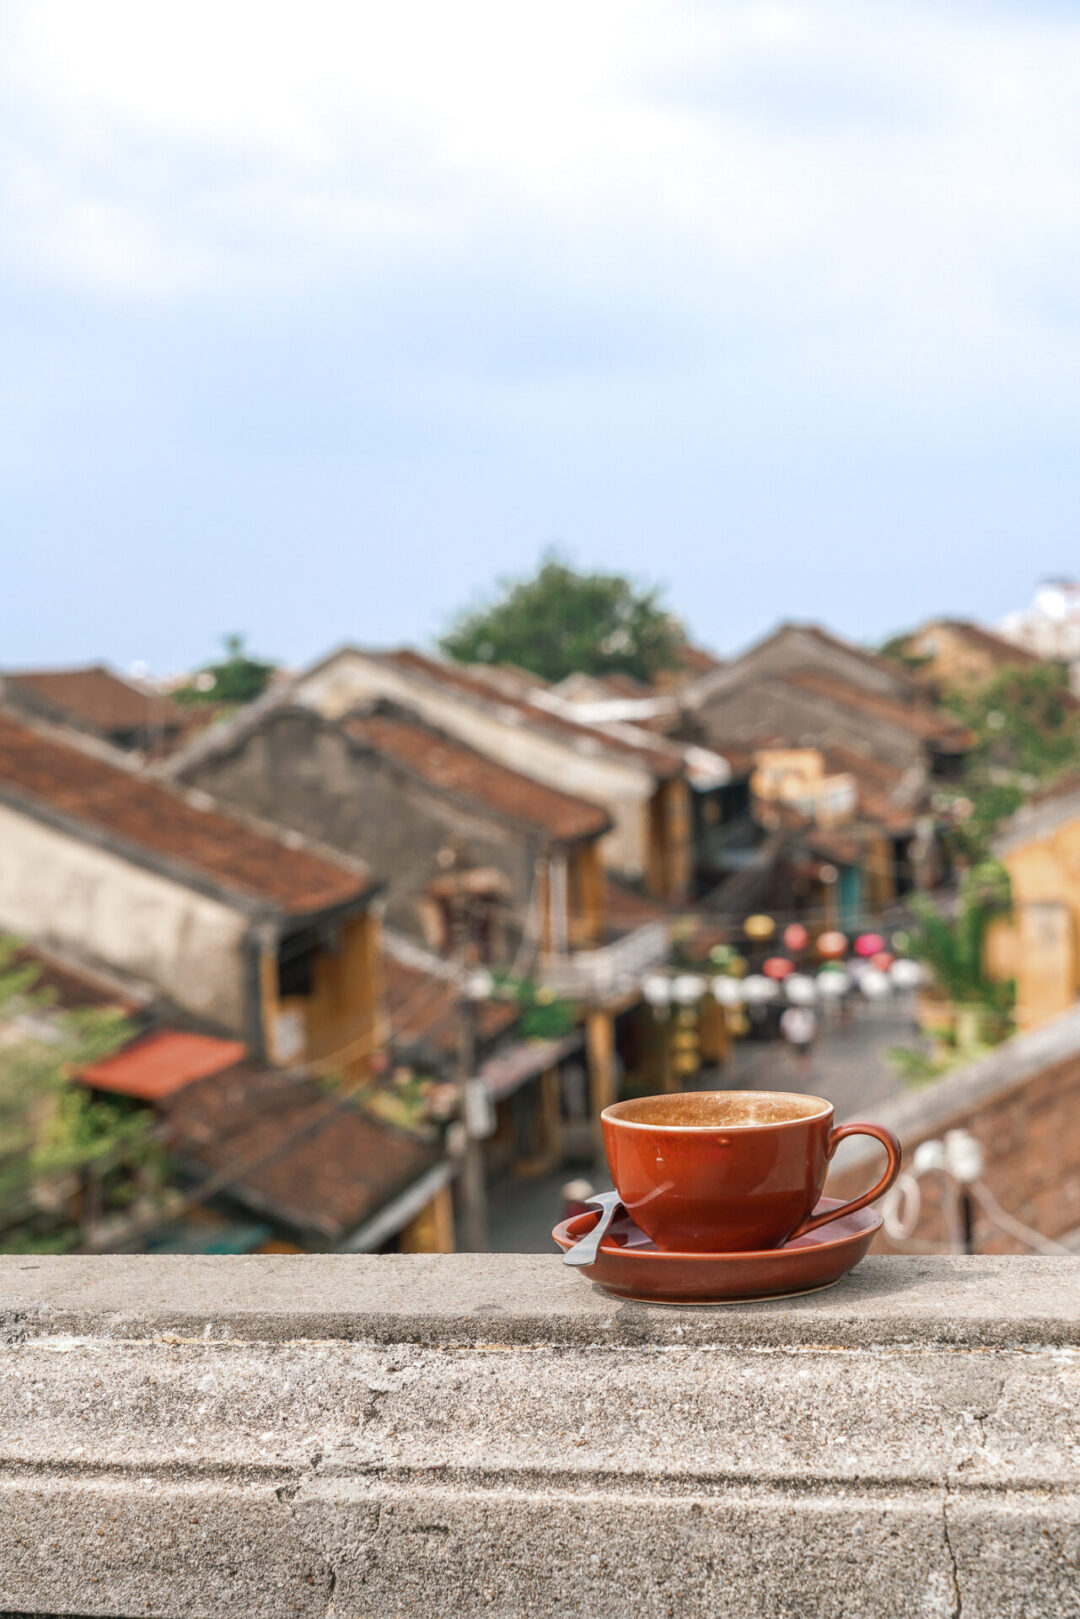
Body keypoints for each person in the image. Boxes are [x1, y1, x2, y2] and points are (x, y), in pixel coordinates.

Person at [779, 1004, 818, 1077]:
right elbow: (784, 1026)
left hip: (805, 1038)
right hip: (794, 1038)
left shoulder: (807, 1012)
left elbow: (813, 1025)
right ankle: (800, 1071)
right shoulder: (788, 1013)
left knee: (805, 1055)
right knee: (797, 1055)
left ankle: (804, 1071)